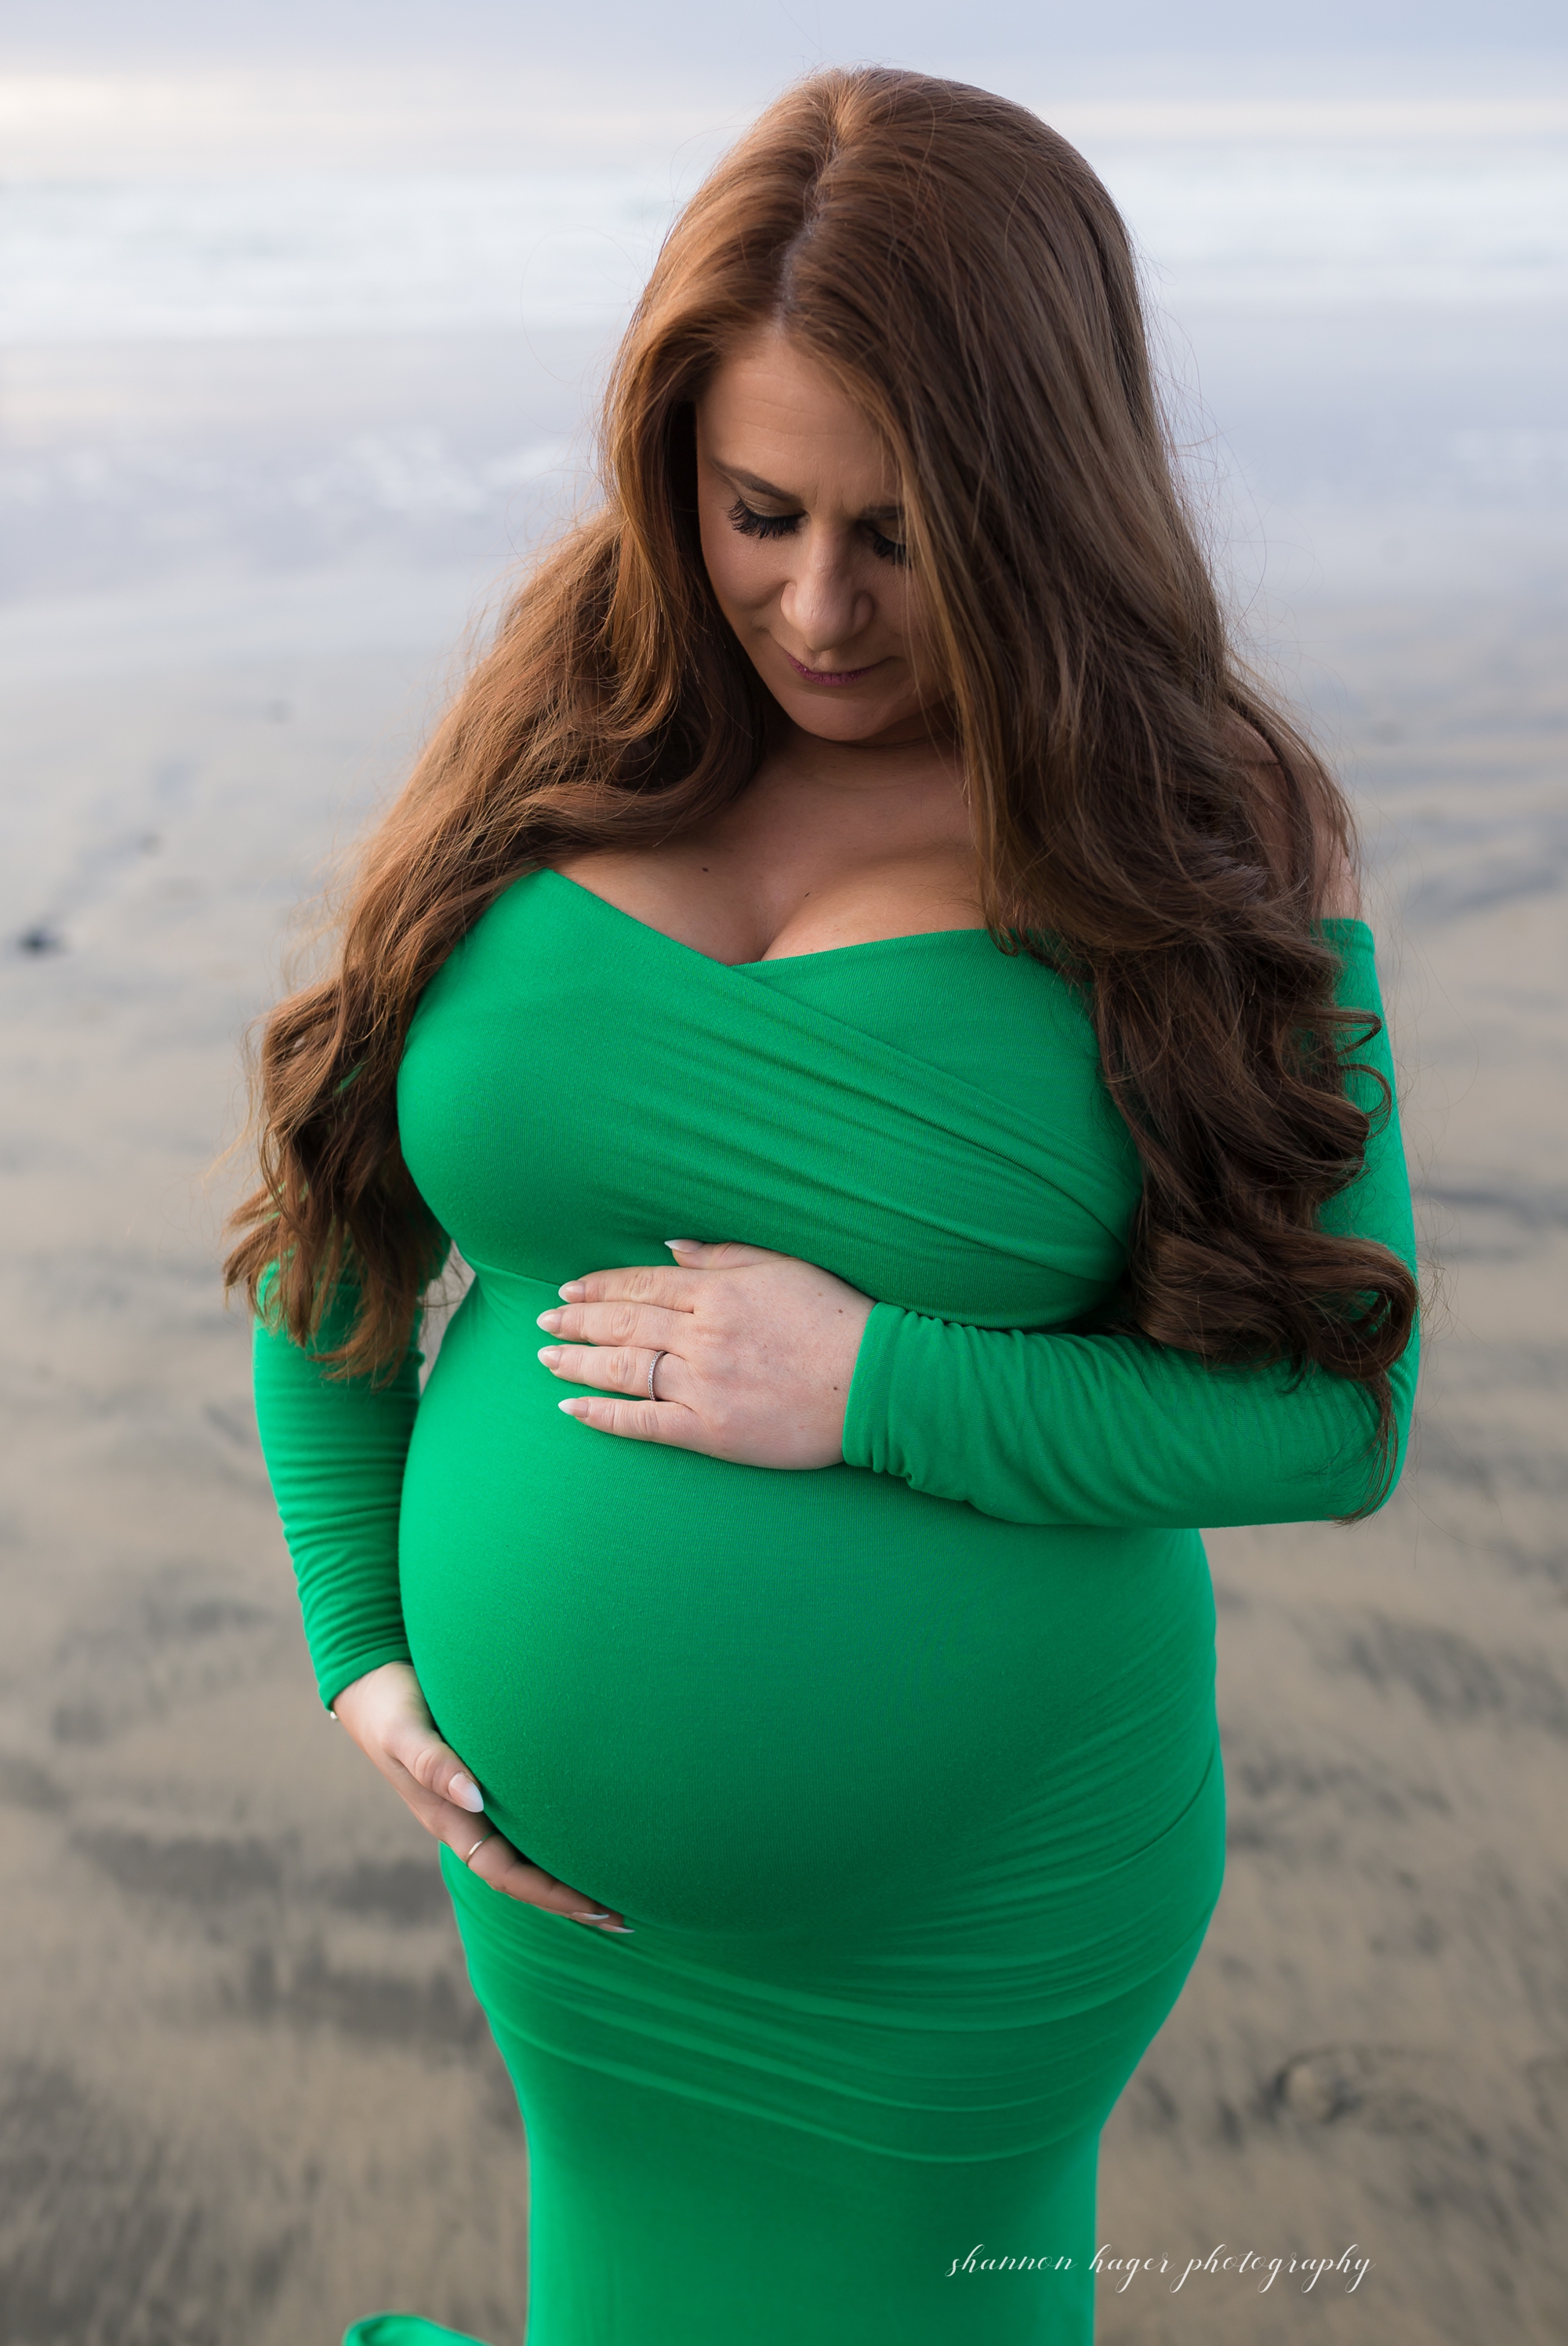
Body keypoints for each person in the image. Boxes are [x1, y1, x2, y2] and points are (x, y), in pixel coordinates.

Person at [227, 65, 1418, 2346]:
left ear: (1041, 487)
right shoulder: (569, 700)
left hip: (966, 1934)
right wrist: (358, 1634)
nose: (819, 604)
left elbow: (1326, 1422)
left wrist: (879, 1383)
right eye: (757, 508)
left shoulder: (1213, 829)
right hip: (580, 1927)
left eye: (900, 530)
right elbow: (335, 1218)